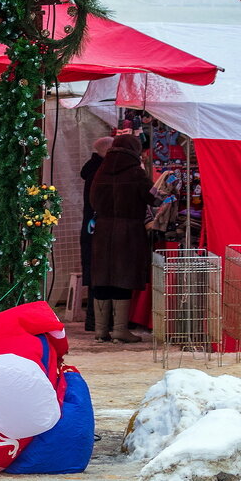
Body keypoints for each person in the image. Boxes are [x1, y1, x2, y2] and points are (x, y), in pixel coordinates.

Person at [89, 134, 158, 343]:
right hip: (128, 231)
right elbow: (152, 198)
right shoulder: (136, 173)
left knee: (102, 277)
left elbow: (93, 200)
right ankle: (119, 330)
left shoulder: (101, 172)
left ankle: (101, 331)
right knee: (122, 277)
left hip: (103, 231)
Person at [79, 136, 114, 332]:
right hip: (97, 229)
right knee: (98, 273)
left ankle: (95, 320)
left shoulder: (92, 169)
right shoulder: (100, 172)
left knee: (94, 272)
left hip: (90, 228)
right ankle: (96, 321)